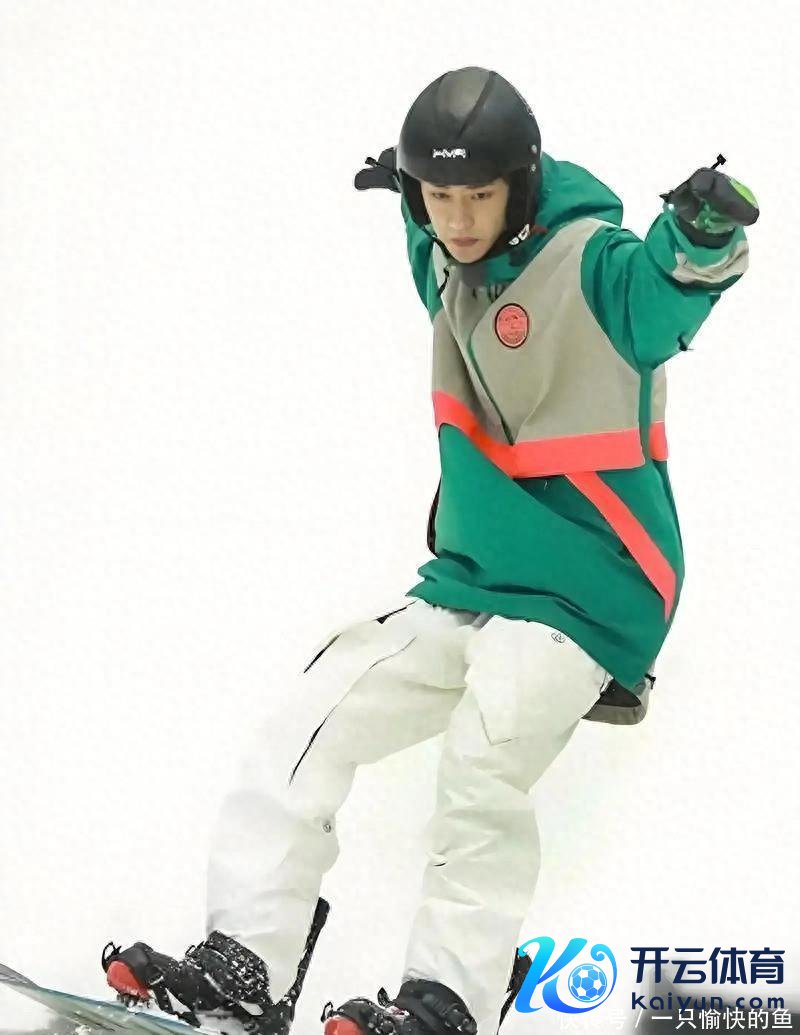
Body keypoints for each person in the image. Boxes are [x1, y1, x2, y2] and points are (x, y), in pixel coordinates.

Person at [100, 67, 759, 1035]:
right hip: (473, 582)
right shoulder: (446, 256)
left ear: (521, 185)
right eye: (437, 197)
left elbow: (668, 290)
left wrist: (702, 233)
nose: (455, 220)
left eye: (477, 195)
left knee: (482, 755)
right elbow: (427, 225)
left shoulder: (593, 266)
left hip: (592, 588)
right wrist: (405, 187)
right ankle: (245, 962)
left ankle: (447, 999)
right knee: (316, 707)